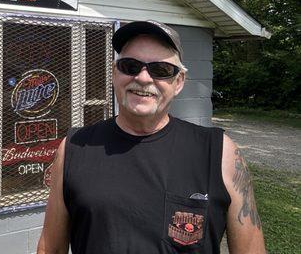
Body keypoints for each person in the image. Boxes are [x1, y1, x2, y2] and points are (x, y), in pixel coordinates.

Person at [37, 20, 266, 254]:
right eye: (130, 65)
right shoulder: (75, 147)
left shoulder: (219, 153)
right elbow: (50, 248)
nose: (144, 78)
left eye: (161, 70)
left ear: (178, 82)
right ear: (115, 74)